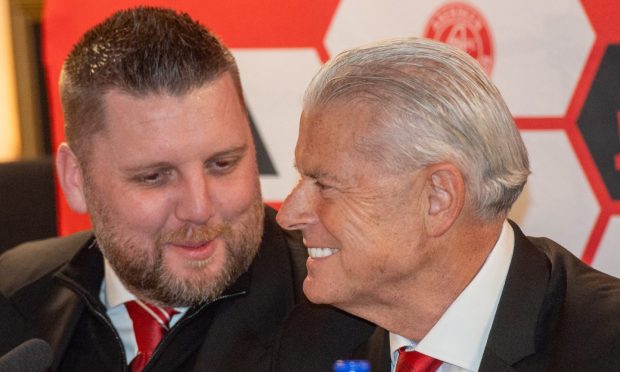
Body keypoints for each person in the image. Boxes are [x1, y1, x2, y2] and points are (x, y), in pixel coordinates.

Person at [274, 38, 620, 372]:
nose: (288, 216)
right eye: (301, 180)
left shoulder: (604, 346)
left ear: (438, 197)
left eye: (325, 185)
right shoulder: (307, 338)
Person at [0, 7, 309, 371]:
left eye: (222, 164)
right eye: (155, 176)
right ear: (76, 179)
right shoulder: (12, 294)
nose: (198, 207)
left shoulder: (344, 310)